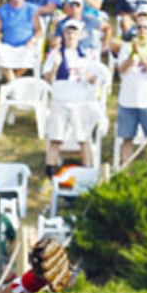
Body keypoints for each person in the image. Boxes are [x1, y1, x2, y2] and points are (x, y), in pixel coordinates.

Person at [43, 20, 102, 177]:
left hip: (80, 102)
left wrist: (90, 78)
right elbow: (47, 78)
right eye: (68, 33)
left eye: (74, 33)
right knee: (56, 138)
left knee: (83, 138)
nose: (70, 36)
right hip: (60, 101)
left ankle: (87, 171)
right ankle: (50, 170)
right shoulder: (56, 54)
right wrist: (56, 66)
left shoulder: (86, 56)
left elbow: (96, 77)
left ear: (80, 36)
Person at [116, 9, 147, 165]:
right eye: (139, 27)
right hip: (128, 100)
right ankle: (125, 173)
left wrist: (142, 58)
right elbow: (121, 70)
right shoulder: (126, 48)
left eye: (145, 27)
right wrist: (131, 58)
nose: (142, 31)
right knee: (126, 138)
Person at [0, 0, 43, 84]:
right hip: (8, 46)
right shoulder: (3, 10)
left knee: (29, 54)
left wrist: (33, 40)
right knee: (1, 53)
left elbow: (39, 30)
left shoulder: (32, 9)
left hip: (26, 45)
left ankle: (12, 82)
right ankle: (14, 84)